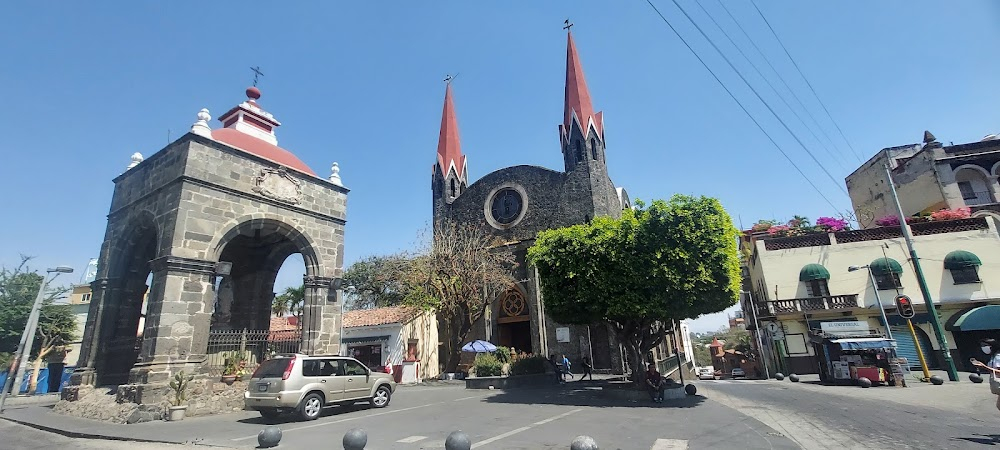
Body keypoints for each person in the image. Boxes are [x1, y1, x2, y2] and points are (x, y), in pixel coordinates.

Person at [970, 338, 1000, 413]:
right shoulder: (993, 356)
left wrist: (984, 367)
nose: (983, 347)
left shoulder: (998, 357)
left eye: (985, 345)